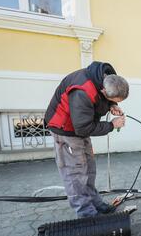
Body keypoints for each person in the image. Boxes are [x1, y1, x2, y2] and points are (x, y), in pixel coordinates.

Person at [45, 61, 129, 218]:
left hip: (80, 128)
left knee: (89, 169)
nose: (117, 103)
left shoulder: (104, 78)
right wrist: (111, 125)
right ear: (104, 89)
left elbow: (98, 101)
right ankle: (86, 215)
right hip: (66, 131)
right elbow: (82, 128)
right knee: (75, 173)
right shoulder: (81, 91)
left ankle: (95, 203)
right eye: (114, 99)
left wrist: (111, 104)